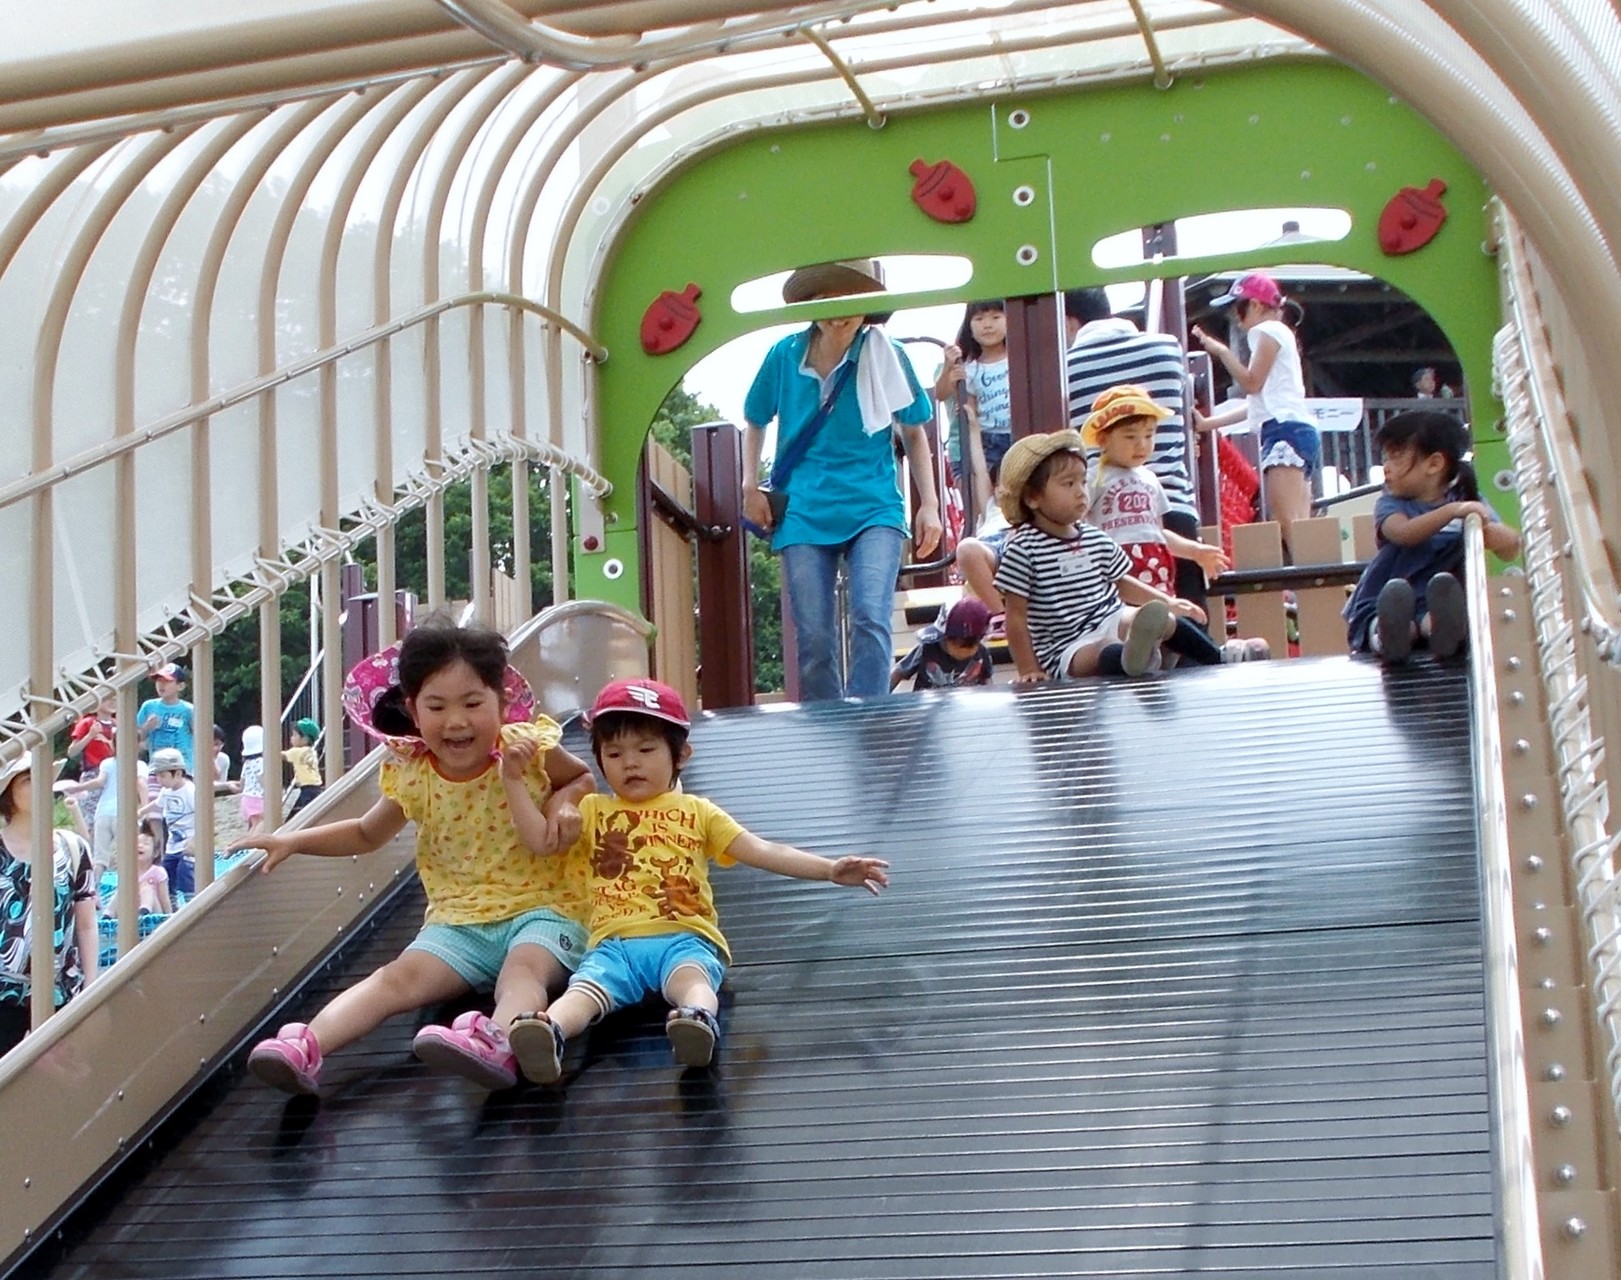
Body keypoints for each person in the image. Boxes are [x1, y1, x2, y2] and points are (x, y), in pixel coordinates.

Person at [227, 619, 595, 1095]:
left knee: (521, 972)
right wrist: (295, 840)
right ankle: (307, 1045)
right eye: (436, 706)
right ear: (413, 711)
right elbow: (365, 833)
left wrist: (564, 802)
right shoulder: (414, 773)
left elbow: (580, 776)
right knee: (395, 979)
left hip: (546, 909)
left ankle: (499, 1042)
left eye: (473, 703)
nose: (456, 721)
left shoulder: (526, 749)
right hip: (459, 922)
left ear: (502, 704)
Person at [502, 679, 889, 1084]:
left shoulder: (697, 812)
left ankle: (696, 1021)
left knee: (692, 979)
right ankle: (551, 1033)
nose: (630, 763)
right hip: (613, 944)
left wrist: (828, 869)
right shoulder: (594, 811)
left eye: (646, 750)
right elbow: (540, 842)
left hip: (684, 936)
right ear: (599, 760)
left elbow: (763, 850)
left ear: (681, 754)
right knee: (583, 990)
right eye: (614, 753)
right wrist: (513, 781)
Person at [742, 258, 943, 701]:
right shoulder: (784, 355)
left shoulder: (884, 354)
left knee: (871, 615)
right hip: (804, 506)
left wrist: (929, 504)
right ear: (809, 305)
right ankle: (826, 729)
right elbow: (755, 418)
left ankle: (869, 718)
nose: (839, 310)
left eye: (850, 299)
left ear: (868, 305)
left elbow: (914, 429)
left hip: (873, 504)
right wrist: (748, 484)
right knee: (813, 634)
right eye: (826, 298)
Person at [992, 431, 1225, 682]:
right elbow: (1015, 617)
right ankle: (1134, 658)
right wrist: (1028, 669)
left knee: (1161, 620)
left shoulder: (1094, 537)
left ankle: (1218, 657)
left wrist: (1169, 602)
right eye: (1068, 484)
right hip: (1067, 646)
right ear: (1032, 497)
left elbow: (1122, 583)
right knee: (1101, 651)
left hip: (1111, 617)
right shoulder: (1023, 549)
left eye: (1083, 482)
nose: (1081, 492)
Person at [1065, 287, 1210, 618]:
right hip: (1172, 504)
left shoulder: (1064, 367)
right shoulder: (1167, 347)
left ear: (1069, 322)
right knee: (1188, 623)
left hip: (1104, 519)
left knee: (1116, 624)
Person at [1344, 411, 1521, 662]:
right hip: (1388, 594)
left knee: (1434, 618)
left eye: (1396, 457)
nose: (1386, 467)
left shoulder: (1467, 498)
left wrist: (1481, 528)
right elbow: (1403, 534)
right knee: (1394, 619)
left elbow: (1511, 546)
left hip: (1436, 597)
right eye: (1386, 457)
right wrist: (1451, 513)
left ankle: (1444, 633)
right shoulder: (1391, 504)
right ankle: (1388, 637)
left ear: (1434, 464)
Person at [1191, 272, 1321, 557]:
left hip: (1283, 433)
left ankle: (1309, 591)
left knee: (1289, 526)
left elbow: (1251, 383)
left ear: (1258, 306)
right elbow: (1257, 402)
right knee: (1300, 526)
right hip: (1296, 430)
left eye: (1240, 307)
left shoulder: (1267, 331)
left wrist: (1222, 352)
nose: (1237, 318)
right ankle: (1318, 594)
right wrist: (1208, 424)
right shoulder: (1282, 335)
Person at [0, 757, 99, 1056]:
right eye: (27, 779)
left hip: (61, 988)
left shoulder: (73, 847)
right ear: (8, 794)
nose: (39, 784)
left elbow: (86, 922)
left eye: (41, 776)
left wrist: (91, 988)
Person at [934, 300, 1012, 515]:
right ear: (969, 325)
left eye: (996, 317)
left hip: (1015, 435)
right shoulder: (970, 367)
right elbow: (940, 395)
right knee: (987, 504)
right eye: (979, 319)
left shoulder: (1017, 359)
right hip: (987, 439)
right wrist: (950, 370)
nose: (987, 325)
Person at [891, 597, 995, 691]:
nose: (943, 642)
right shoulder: (927, 648)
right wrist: (879, 698)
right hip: (927, 709)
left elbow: (988, 682)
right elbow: (899, 672)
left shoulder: (982, 653)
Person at [142, 747, 197, 899]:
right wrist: (141, 812)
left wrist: (195, 840)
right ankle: (171, 906)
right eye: (157, 776)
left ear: (178, 773)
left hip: (188, 842)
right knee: (167, 873)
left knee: (185, 873)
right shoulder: (167, 790)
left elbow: (203, 814)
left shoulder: (190, 791)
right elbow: (158, 803)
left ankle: (192, 903)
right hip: (173, 844)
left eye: (163, 776)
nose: (159, 780)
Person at [65, 694, 117, 833]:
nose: (113, 701)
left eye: (116, 698)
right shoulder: (87, 722)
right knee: (91, 819)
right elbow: (72, 752)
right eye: (108, 698)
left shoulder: (117, 724)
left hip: (115, 773)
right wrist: (90, 735)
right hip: (93, 773)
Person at [136, 663, 196, 775]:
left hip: (183, 768)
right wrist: (147, 727)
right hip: (156, 768)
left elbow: (201, 738)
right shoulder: (149, 706)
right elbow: (135, 739)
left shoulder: (188, 710)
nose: (161, 685)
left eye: (167, 681)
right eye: (158, 681)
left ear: (180, 686)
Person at [283, 718, 324, 817]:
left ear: (304, 739)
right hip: (316, 787)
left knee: (305, 813)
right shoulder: (311, 751)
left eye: (294, 735)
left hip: (307, 787)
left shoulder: (297, 752)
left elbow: (280, 755)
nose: (291, 738)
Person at [133, 828, 173, 916]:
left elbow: (164, 899)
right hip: (133, 909)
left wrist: (169, 916)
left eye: (145, 843)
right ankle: (109, 914)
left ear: (155, 853)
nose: (140, 845)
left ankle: (145, 909)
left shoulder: (158, 872)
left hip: (154, 912)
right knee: (121, 892)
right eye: (137, 843)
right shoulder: (130, 872)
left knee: (147, 888)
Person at [238, 724, 265, 834]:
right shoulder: (261, 762)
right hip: (258, 798)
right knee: (262, 823)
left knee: (254, 825)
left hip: (247, 798)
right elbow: (262, 779)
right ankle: (250, 847)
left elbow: (242, 783)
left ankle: (247, 845)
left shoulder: (247, 763)